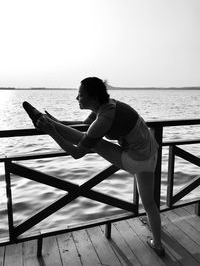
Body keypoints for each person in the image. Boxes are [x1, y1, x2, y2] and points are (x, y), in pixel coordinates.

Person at [23, 77, 165, 257]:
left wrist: (52, 131)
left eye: (80, 95)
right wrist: (57, 121)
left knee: (94, 143)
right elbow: (85, 128)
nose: (77, 98)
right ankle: (158, 245)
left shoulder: (104, 118)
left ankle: (43, 122)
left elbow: (77, 152)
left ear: (94, 98)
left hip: (136, 158)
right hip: (151, 153)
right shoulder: (107, 106)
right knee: (150, 204)